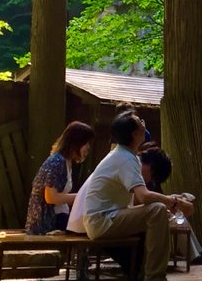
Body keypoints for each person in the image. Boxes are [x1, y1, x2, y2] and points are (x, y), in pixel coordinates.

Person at [73, 110, 194, 281]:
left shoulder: (126, 156)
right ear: (135, 133)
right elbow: (144, 197)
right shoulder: (125, 158)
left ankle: (144, 273)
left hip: (104, 219)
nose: (144, 122)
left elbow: (140, 200)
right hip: (101, 221)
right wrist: (174, 201)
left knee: (159, 212)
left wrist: (171, 201)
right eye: (140, 121)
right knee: (157, 210)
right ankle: (155, 277)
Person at [25, 121, 95, 234]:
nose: (88, 148)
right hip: (47, 224)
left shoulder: (67, 162)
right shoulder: (57, 162)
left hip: (60, 216)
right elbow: (51, 197)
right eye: (85, 143)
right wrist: (81, 197)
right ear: (76, 142)